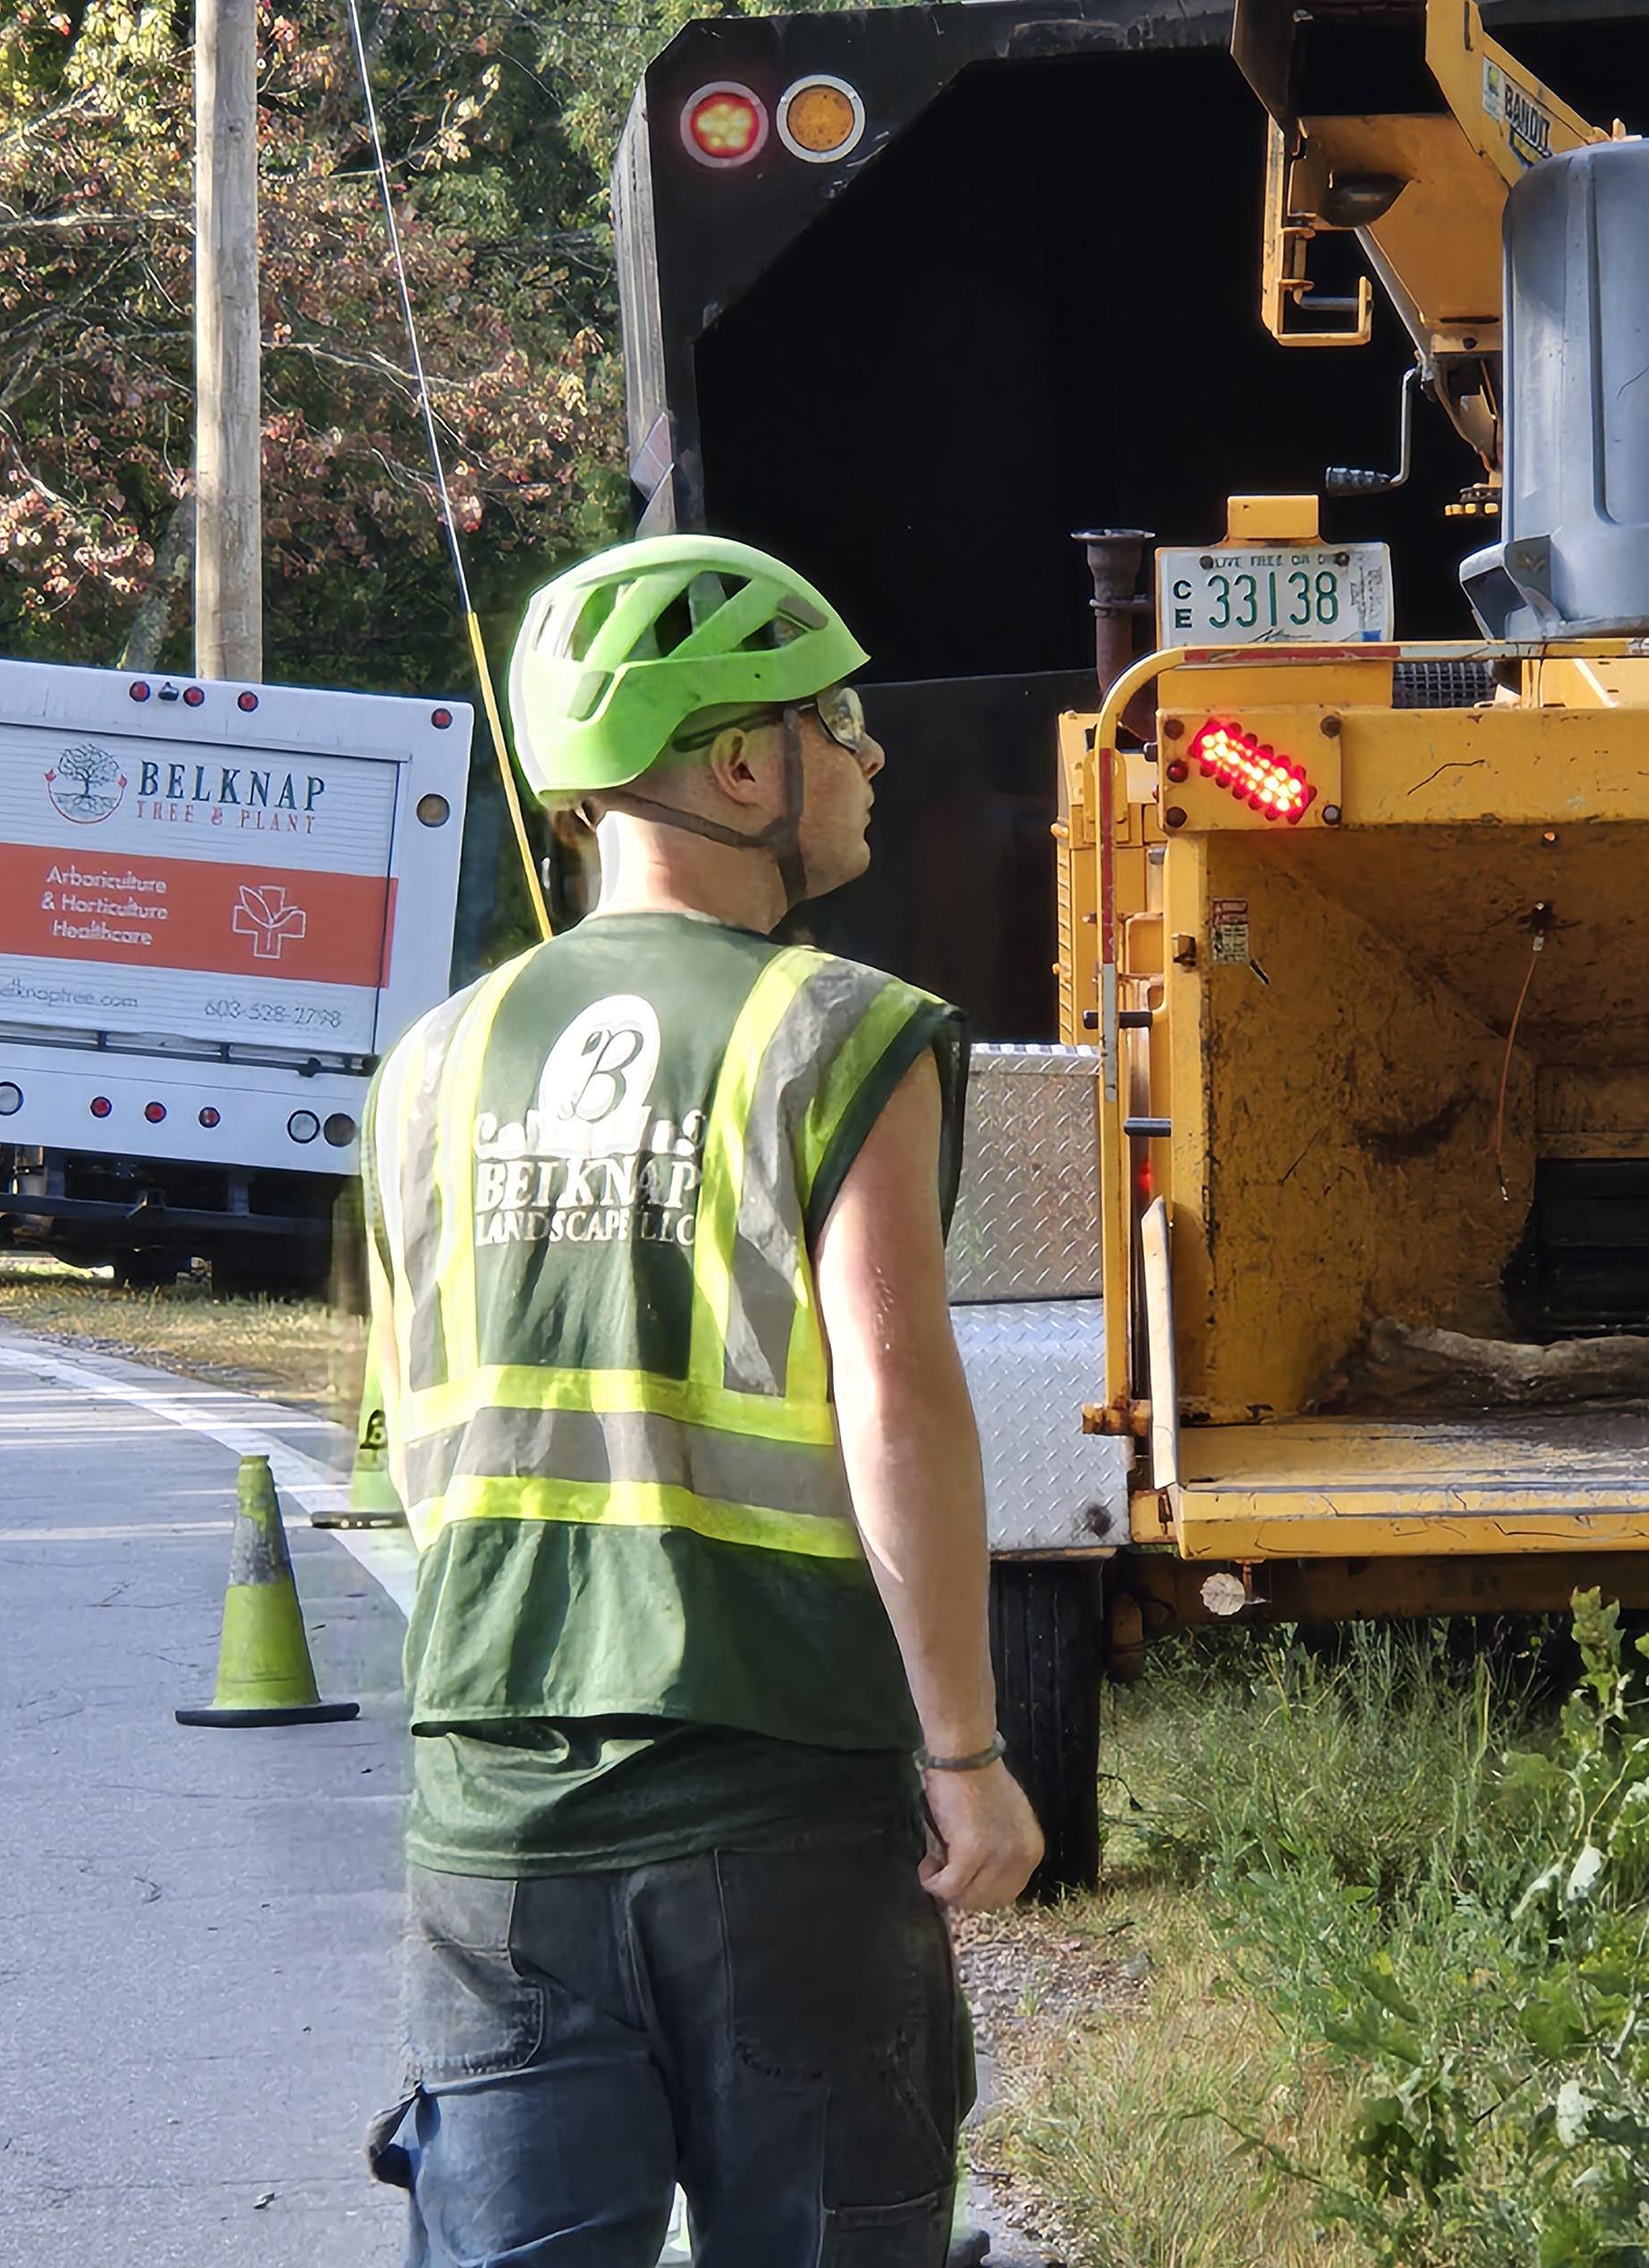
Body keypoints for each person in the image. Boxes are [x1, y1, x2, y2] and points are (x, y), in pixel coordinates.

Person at [360, 533, 1043, 2267]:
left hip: (492, 1821)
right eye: (843, 719)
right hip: (783, 1809)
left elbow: (408, 1431)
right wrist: (964, 1756)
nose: (876, 756)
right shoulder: (840, 1031)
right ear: (744, 764)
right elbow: (899, 1405)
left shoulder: (425, 1065)